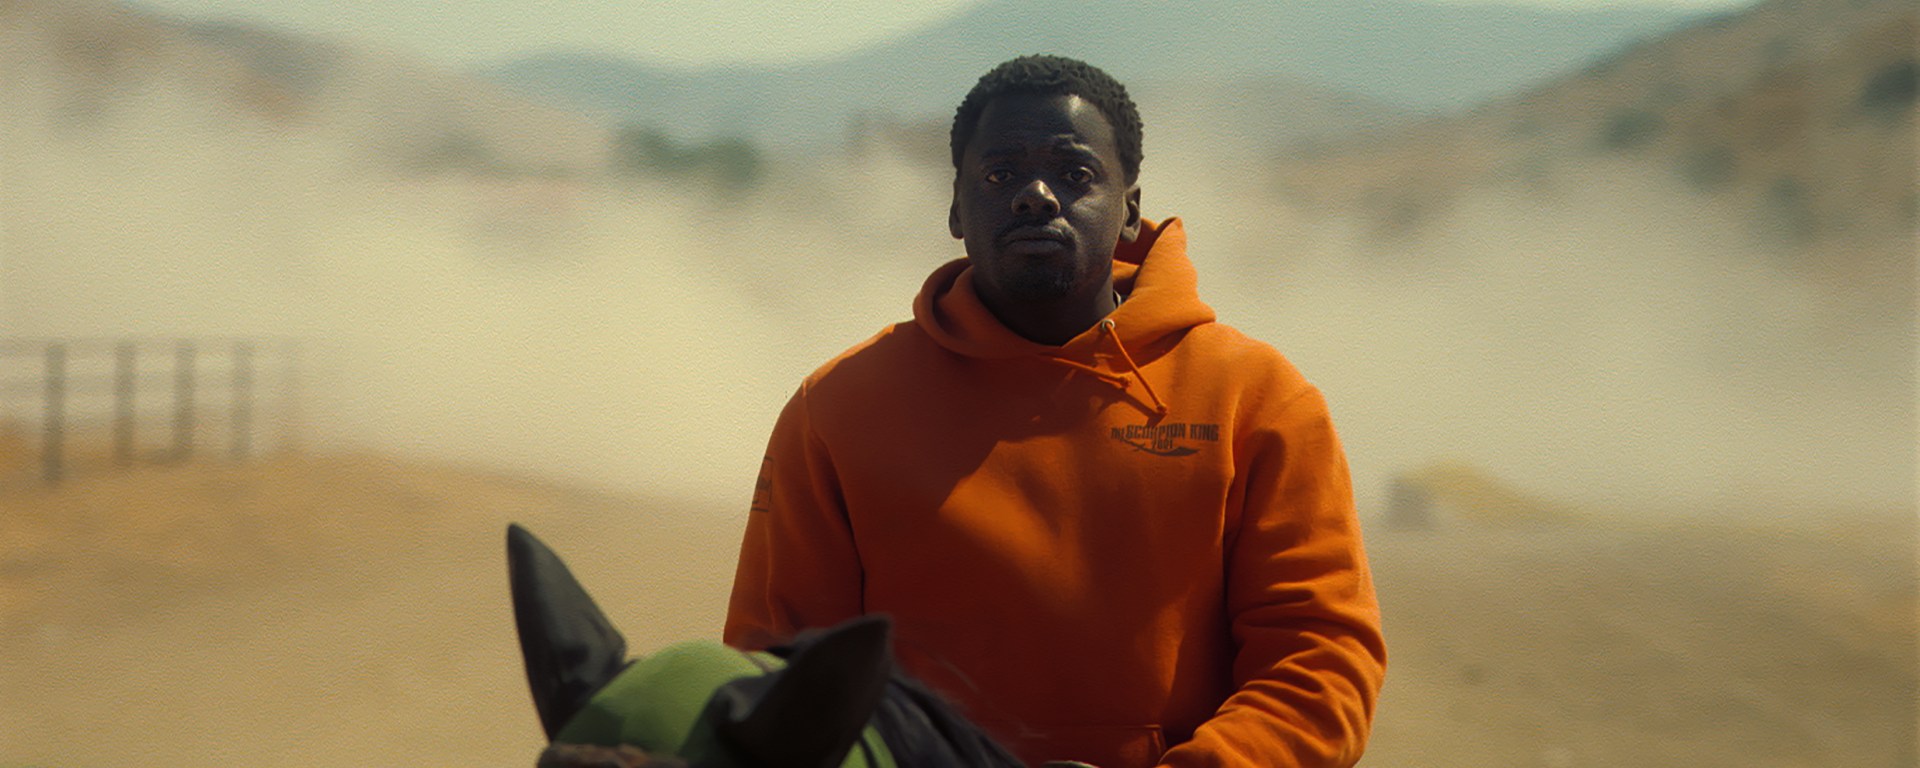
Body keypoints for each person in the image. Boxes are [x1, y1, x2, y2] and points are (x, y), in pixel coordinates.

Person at [725, 55, 1385, 768]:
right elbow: (780, 672)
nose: (1035, 197)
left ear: (1129, 207)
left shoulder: (1255, 397)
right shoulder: (839, 409)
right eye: (1000, 175)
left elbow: (1322, 655)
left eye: (1074, 174)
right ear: (956, 208)